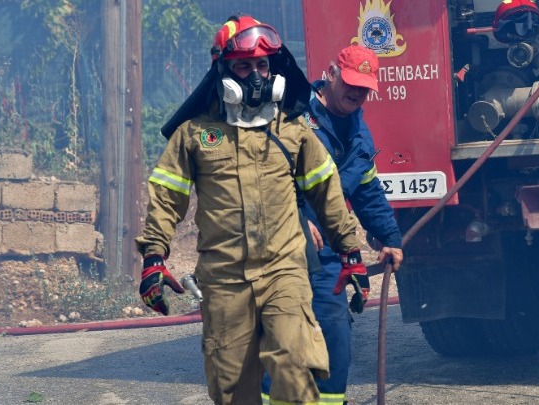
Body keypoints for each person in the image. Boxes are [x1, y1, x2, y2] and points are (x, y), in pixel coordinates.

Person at [135, 15, 366, 405]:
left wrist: (351, 252)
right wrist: (153, 259)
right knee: (233, 389)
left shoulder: (293, 129)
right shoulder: (194, 134)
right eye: (244, 66)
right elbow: (167, 196)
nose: (256, 76)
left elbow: (326, 191)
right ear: (224, 71)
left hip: (284, 270)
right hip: (224, 278)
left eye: (263, 65)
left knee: (295, 363)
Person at [262, 45, 404, 405]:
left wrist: (389, 237)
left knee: (334, 338)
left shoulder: (359, 134)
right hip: (280, 250)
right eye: (351, 83)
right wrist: (298, 217)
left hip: (329, 257)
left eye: (364, 88)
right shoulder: (291, 115)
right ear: (330, 73)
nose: (356, 93)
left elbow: (368, 190)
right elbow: (265, 177)